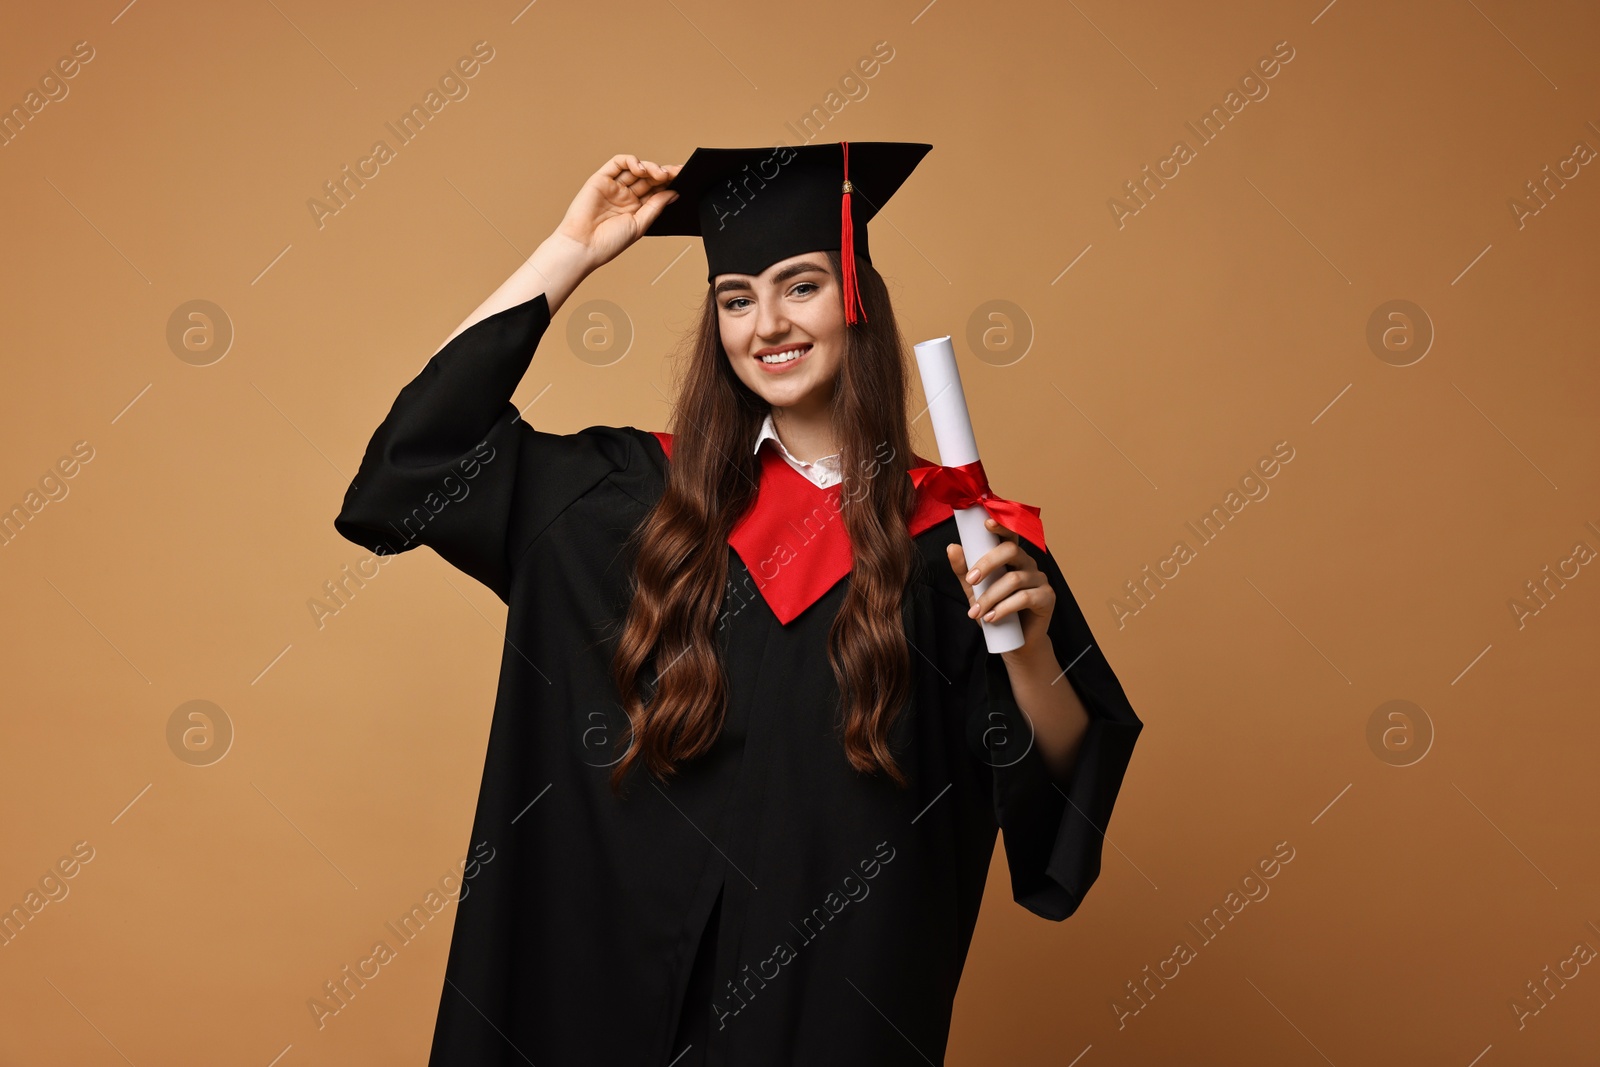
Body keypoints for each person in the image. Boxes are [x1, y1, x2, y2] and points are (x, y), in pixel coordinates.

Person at [334, 141, 1143, 1066]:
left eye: (800, 286)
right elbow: (413, 467)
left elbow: (1057, 792)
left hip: (833, 1010)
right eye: (735, 297)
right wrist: (571, 249)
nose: (767, 324)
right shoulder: (634, 499)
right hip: (606, 1011)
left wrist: (1030, 649)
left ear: (857, 301)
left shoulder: (958, 541)